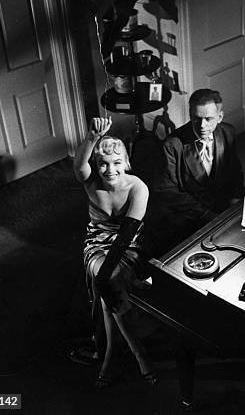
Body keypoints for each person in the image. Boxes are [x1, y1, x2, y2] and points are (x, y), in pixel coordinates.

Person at [73, 117, 157, 388]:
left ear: (126, 163)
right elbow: (78, 164)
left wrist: (105, 275)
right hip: (97, 244)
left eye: (117, 162)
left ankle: (110, 354)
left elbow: (127, 234)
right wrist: (92, 136)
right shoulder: (90, 181)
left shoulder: (138, 187)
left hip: (128, 244)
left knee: (108, 283)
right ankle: (139, 354)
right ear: (96, 166)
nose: (111, 169)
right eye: (103, 164)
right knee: (110, 282)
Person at [149, 88, 245, 249]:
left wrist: (237, 199)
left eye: (208, 119)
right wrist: (206, 215)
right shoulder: (172, 145)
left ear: (220, 117)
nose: (202, 125)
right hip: (188, 214)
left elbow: (235, 171)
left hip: (221, 204)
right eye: (196, 118)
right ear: (190, 115)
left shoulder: (228, 132)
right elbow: (167, 191)